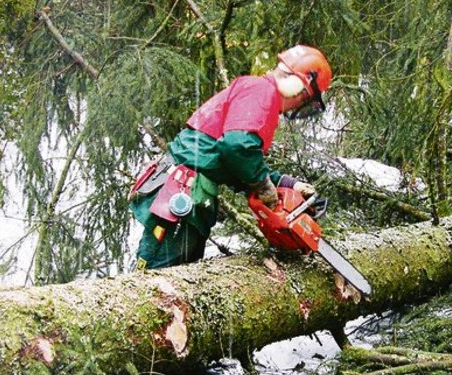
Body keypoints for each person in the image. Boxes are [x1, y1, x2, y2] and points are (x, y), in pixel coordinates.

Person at [130, 45, 332, 270]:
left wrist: (288, 184)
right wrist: (264, 185)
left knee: (180, 276)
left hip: (191, 189)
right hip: (182, 190)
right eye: (306, 98)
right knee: (156, 277)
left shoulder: (259, 95)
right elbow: (236, 148)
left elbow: (238, 162)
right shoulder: (261, 91)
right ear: (299, 87)